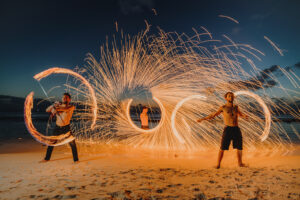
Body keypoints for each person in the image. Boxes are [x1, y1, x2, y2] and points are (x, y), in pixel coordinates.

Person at [197, 92, 248, 169]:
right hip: (228, 129)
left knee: (239, 147)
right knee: (222, 147)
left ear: (234, 98)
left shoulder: (236, 107)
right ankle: (218, 164)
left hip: (236, 129)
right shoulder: (223, 108)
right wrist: (203, 119)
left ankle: (240, 163)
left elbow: (240, 114)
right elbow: (213, 115)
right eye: (229, 96)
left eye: (232, 96)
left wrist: (244, 116)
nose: (231, 97)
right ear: (226, 98)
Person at [40, 93, 79, 163]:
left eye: (66, 97)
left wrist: (57, 107)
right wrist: (53, 105)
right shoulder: (58, 106)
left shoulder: (71, 107)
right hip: (57, 127)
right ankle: (46, 158)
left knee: (72, 144)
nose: (64, 98)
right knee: (52, 143)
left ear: (69, 99)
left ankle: (76, 160)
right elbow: (47, 110)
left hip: (66, 128)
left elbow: (65, 109)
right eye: (63, 97)